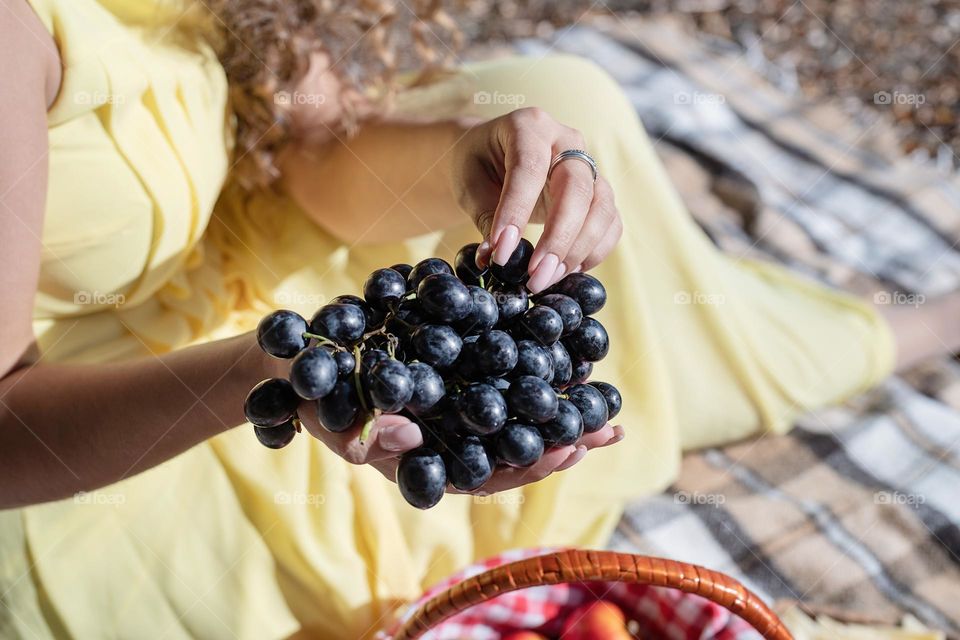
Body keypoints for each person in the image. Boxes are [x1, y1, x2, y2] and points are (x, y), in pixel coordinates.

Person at [1, 1, 953, 638]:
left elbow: (305, 155)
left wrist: (470, 152)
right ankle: (843, 336)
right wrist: (283, 373)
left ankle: (872, 328)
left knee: (570, 108)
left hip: (255, 268)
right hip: (126, 433)